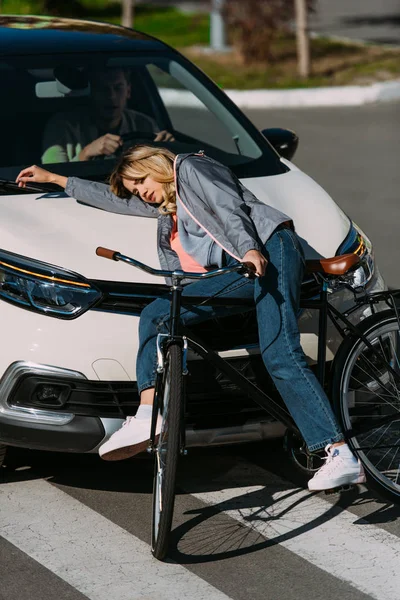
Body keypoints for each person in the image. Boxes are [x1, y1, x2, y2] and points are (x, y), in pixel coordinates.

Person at [16, 146, 366, 492]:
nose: (142, 192)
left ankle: (339, 453)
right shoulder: (171, 209)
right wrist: (57, 179)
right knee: (158, 314)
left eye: (141, 180)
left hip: (269, 248)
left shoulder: (190, 168)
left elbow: (228, 204)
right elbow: (114, 200)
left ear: (155, 164)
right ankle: (149, 414)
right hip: (243, 265)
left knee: (280, 353)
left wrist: (248, 247)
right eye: (137, 190)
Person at [41, 67, 174, 164]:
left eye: (118, 88)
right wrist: (86, 153)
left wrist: (166, 151)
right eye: (102, 89)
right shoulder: (62, 126)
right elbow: (50, 176)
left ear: (128, 91)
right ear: (91, 92)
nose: (111, 96)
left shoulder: (145, 124)